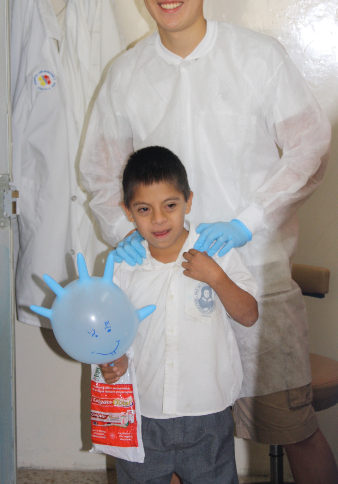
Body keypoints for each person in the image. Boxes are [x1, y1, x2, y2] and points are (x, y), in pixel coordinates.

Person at [80, 0, 338, 483]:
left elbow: (311, 147)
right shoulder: (126, 75)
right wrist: (128, 238)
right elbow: (100, 174)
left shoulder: (257, 57)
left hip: (252, 280)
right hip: (163, 288)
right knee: (169, 440)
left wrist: (248, 220)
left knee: (294, 427)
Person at [99, 146, 259, 483]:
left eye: (170, 205)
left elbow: (249, 315)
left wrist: (216, 277)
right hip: (143, 412)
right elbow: (110, 330)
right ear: (128, 211)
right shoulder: (124, 265)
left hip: (208, 413)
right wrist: (115, 359)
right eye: (144, 209)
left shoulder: (217, 252)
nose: (158, 219)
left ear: (188, 201)